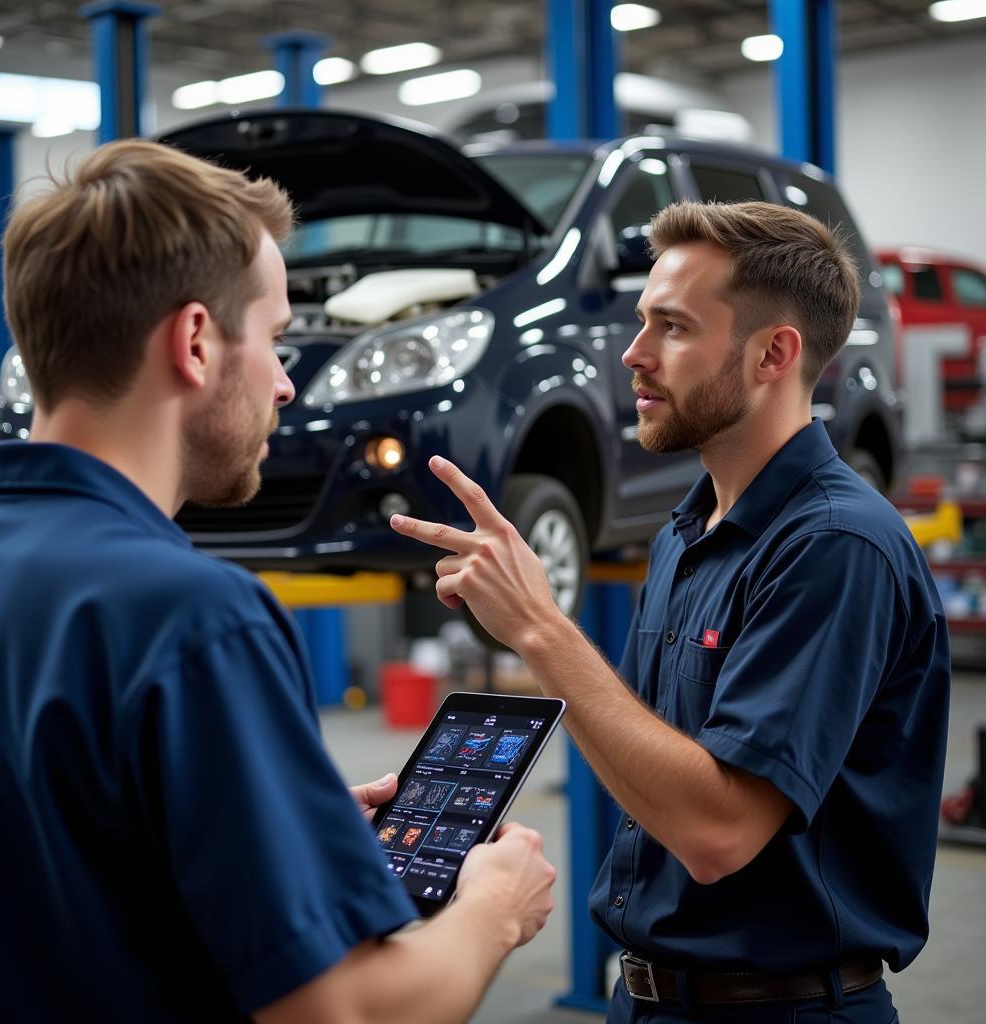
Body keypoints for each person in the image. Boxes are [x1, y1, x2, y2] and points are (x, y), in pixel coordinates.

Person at [0, 139, 556, 1024]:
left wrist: (281, 833)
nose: (287, 385)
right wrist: (493, 913)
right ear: (196, 341)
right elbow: (344, 1013)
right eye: (277, 339)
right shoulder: (194, 621)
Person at [391, 200, 950, 1023]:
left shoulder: (836, 546)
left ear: (773, 354)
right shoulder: (687, 533)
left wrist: (541, 629)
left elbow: (717, 832)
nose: (634, 353)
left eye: (673, 328)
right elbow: (649, 759)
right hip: (651, 998)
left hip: (782, 1011)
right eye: (640, 320)